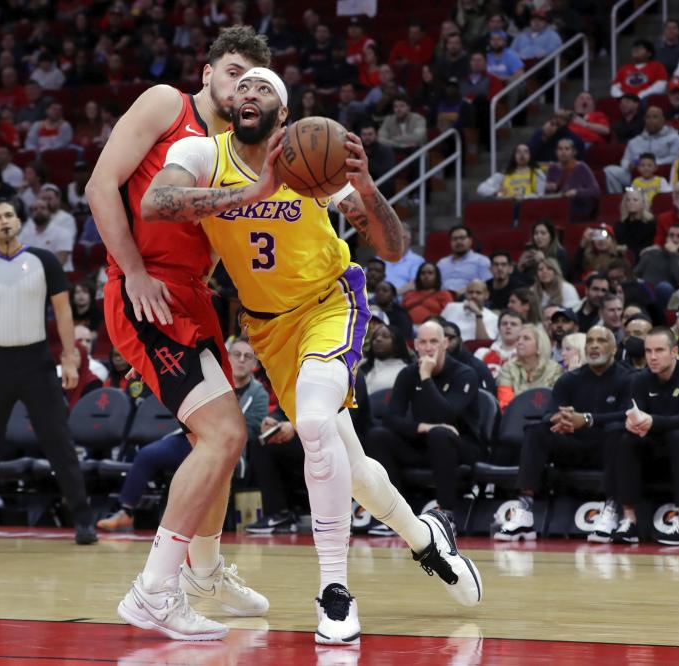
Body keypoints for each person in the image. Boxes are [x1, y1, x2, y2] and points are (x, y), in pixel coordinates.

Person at [142, 66, 482, 643]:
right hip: (270, 331)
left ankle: (335, 592)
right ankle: (427, 538)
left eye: (264, 88)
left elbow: (393, 246)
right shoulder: (203, 152)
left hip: (330, 304)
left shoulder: (310, 153)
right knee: (353, 471)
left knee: (317, 426)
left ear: (284, 111)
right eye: (242, 86)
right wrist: (250, 192)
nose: (249, 93)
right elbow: (156, 203)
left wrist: (368, 190)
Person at [85, 27, 275, 639]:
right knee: (224, 432)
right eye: (234, 72)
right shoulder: (167, 103)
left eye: (253, 81)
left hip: (193, 295)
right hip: (147, 291)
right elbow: (99, 185)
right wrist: (134, 272)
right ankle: (154, 591)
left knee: (219, 443)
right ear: (208, 72)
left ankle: (205, 570)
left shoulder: (234, 147)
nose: (240, 87)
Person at [0, 199, 95, 548]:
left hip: (37, 360)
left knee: (58, 442)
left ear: (18, 221)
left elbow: (63, 313)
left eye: (9, 215)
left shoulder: (43, 261)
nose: (4, 222)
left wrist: (70, 357)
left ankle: (84, 522)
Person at [97, 338, 268, 533]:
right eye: (236, 354)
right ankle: (126, 511)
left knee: (201, 467)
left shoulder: (258, 393)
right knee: (147, 454)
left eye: (248, 357)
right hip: (192, 435)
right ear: (227, 357)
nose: (241, 360)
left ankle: (191, 530)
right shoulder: (211, 380)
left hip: (225, 446)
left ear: (254, 364)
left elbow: (251, 430)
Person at [495, 326, 632, 542]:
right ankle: (525, 511)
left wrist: (586, 419)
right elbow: (549, 413)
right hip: (573, 445)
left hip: (607, 448)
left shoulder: (628, 378)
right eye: (590, 341)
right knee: (537, 430)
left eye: (601, 341)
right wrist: (560, 419)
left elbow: (628, 416)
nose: (594, 345)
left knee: (619, 433)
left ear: (614, 348)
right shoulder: (570, 379)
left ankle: (611, 510)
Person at [365, 321, 481, 527]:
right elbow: (391, 418)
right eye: (424, 342)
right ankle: (394, 512)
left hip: (461, 446)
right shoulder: (408, 374)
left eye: (434, 341)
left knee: (440, 435)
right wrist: (423, 428)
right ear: (416, 345)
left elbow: (448, 415)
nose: (429, 347)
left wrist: (426, 377)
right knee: (377, 436)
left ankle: (446, 513)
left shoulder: (464, 374)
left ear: (445, 343)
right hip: (422, 442)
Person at [612, 328, 679, 546]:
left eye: (659, 350)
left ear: (674, 351)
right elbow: (639, 415)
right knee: (626, 439)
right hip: (658, 448)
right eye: (648, 351)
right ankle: (629, 520)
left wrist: (653, 421)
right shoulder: (640, 379)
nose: (653, 357)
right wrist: (634, 424)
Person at [605, 107, 679, 194]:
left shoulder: (674, 138)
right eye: (648, 117)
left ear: (663, 120)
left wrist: (650, 164)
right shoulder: (635, 141)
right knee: (610, 171)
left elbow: (675, 158)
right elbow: (625, 160)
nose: (651, 120)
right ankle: (619, 199)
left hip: (660, 179)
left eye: (655, 117)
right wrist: (628, 165)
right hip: (637, 178)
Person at [496, 323, 564, 409]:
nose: (519, 342)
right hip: (514, 416)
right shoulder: (508, 367)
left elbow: (554, 403)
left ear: (539, 345)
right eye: (518, 339)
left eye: (526, 338)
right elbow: (505, 402)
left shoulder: (555, 370)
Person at [545, 138, 600, 219]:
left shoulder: (581, 167)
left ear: (573, 152)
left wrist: (576, 192)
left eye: (567, 149)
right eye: (560, 149)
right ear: (556, 152)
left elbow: (596, 191)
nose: (563, 152)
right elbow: (546, 194)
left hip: (578, 207)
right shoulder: (553, 168)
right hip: (556, 207)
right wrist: (550, 188)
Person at [477, 143, 546, 199]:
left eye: (526, 152)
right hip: (506, 208)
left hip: (528, 207)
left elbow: (540, 195)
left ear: (530, 156)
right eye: (518, 152)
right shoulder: (502, 175)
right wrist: (497, 192)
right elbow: (481, 188)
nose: (522, 154)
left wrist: (523, 197)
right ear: (514, 156)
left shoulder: (538, 173)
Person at [436, 225, 492, 295]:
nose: (458, 241)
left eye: (462, 238)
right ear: (450, 242)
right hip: (442, 300)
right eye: (455, 239)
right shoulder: (441, 263)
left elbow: (487, 285)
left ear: (470, 241)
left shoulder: (482, 261)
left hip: (469, 300)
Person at [360, 324, 412, 395]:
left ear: (397, 344)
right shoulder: (361, 364)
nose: (378, 339)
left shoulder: (405, 371)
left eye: (385, 336)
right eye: (375, 337)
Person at [383, 222, 425, 294]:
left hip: (401, 299)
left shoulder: (417, 260)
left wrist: (391, 295)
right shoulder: (380, 258)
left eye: (403, 237)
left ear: (409, 240)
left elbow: (413, 284)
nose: (399, 240)